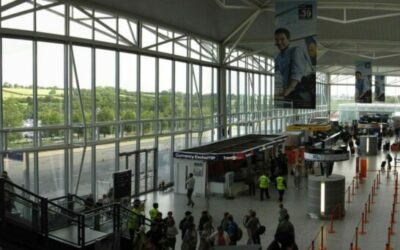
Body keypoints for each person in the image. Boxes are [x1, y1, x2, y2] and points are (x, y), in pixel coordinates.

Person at [274, 28, 314, 105]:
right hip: (291, 93)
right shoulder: (279, 57)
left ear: (289, 40)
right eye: (277, 40)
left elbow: (297, 74)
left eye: (282, 39)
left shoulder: (296, 51)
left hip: (301, 93)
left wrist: (285, 93)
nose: (279, 42)